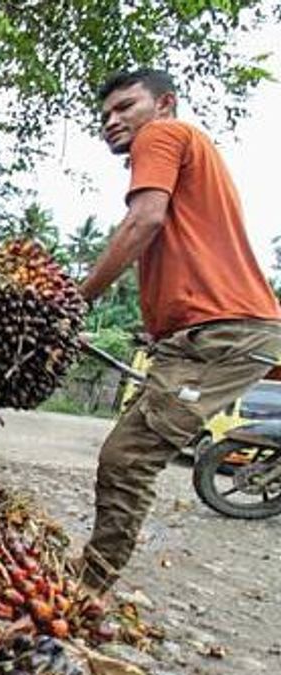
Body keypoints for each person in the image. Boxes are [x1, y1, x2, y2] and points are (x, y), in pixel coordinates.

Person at [73, 68, 281, 594]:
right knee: (132, 448)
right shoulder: (188, 147)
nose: (112, 122)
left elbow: (145, 221)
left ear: (164, 103)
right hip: (207, 334)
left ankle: (85, 588)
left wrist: (75, 300)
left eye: (125, 107)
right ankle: (88, 578)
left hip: (225, 331)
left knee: (129, 456)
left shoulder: (162, 134)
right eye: (105, 116)